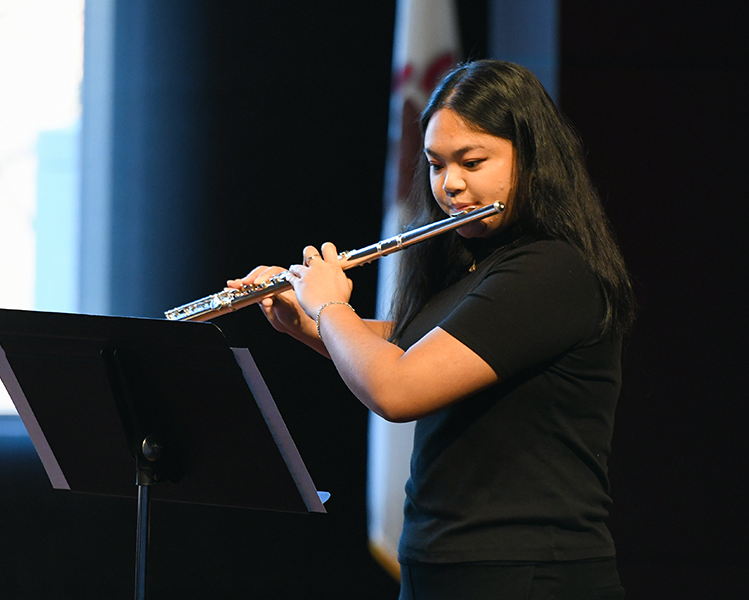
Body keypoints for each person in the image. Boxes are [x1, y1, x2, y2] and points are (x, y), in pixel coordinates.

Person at [229, 60, 635, 599]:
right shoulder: (477, 260)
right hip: (444, 564)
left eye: (472, 161)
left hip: (527, 574)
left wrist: (330, 308)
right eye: (436, 164)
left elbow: (397, 388)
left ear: (532, 156)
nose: (451, 185)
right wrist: (304, 322)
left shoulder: (551, 270)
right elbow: (408, 347)